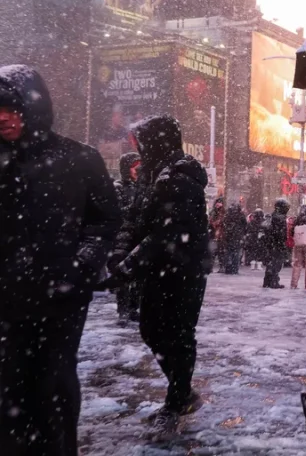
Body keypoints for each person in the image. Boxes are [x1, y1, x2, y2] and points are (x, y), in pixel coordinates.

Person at [0, 65, 121, 455]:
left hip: (60, 300)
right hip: (4, 303)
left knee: (53, 388)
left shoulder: (79, 159)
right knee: (7, 393)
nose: (2, 116)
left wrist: (83, 264)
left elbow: (104, 222)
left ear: (33, 108)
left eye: (11, 107)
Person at [110, 115, 211, 431]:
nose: (137, 147)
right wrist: (120, 253)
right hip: (158, 270)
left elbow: (166, 233)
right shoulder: (151, 174)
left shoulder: (179, 177)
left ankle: (178, 396)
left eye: (142, 141)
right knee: (152, 330)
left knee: (178, 334)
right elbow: (135, 219)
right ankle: (181, 392)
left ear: (157, 141)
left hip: (184, 270)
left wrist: (129, 266)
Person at [114, 151, 142, 321]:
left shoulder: (142, 187)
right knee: (123, 274)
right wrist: (134, 209)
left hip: (138, 236)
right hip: (122, 238)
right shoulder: (118, 187)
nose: (137, 170)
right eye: (134, 166)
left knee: (138, 274)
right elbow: (116, 212)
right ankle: (123, 309)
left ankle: (134, 308)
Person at [262, 198, 289, 289]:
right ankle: (274, 282)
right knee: (276, 264)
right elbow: (280, 233)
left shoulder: (273, 215)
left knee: (271, 263)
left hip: (272, 244)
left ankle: (267, 281)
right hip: (277, 244)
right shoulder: (280, 218)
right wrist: (282, 244)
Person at [291, 205, 306, 290]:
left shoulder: (296, 220)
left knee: (297, 264)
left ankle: (294, 285)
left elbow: (291, 232)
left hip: (298, 244)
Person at [221, 203, 247, 275]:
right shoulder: (241, 216)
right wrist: (243, 234)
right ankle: (234, 269)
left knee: (228, 252)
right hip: (237, 237)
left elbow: (224, 224)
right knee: (236, 253)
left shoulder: (227, 216)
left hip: (228, 236)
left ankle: (228, 268)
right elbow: (245, 226)